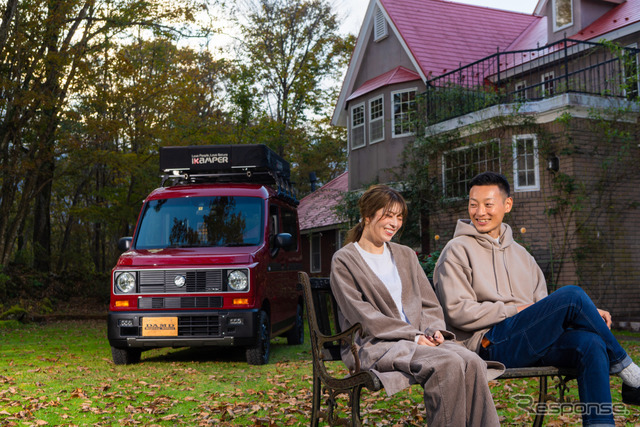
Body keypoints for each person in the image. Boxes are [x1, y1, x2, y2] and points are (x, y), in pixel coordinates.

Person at [433, 171, 640, 427]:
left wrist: (586, 313)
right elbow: (457, 312)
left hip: (530, 342)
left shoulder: (522, 255)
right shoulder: (456, 250)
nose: (479, 212)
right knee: (572, 294)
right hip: (488, 344)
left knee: (591, 342)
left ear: (507, 205)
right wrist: (515, 309)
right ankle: (631, 374)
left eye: (488, 204)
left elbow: (544, 311)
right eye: (473, 204)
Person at [330, 184, 501, 426]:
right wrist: (414, 336)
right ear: (367, 216)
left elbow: (429, 303)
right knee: (448, 363)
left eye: (399, 217)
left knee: (472, 361)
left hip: (418, 339)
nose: (395, 223)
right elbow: (363, 317)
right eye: (388, 215)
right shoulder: (345, 260)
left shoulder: (405, 255)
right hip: (376, 344)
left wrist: (434, 331)